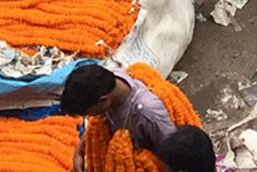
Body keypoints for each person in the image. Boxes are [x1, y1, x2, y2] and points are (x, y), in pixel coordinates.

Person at [59, 63, 187, 160]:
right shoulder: (110, 81)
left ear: (103, 101)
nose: (90, 117)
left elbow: (173, 153)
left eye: (89, 113)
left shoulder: (148, 112)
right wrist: (79, 151)